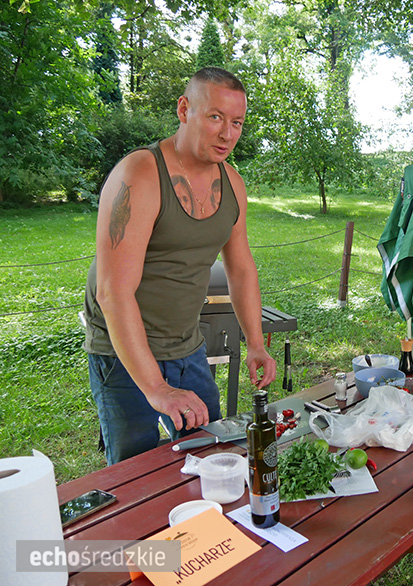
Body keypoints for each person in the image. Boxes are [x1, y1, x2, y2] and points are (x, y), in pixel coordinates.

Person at [83, 67, 276, 465]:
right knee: (135, 474)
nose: (227, 133)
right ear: (184, 109)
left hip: (186, 345)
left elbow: (240, 269)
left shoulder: (233, 183)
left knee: (213, 455)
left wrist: (255, 343)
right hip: (122, 352)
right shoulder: (139, 175)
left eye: (236, 122)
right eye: (215, 117)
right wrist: (156, 387)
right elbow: (112, 292)